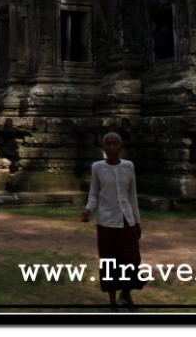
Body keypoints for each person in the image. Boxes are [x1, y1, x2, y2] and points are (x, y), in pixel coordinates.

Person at [81, 131, 145, 312]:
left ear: (121, 147)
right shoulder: (97, 167)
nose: (111, 147)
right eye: (108, 144)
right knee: (109, 260)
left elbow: (132, 196)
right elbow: (94, 194)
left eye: (115, 143)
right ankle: (112, 302)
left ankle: (126, 294)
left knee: (131, 260)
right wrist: (88, 209)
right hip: (106, 221)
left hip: (127, 220)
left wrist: (137, 222)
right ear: (103, 148)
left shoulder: (128, 166)